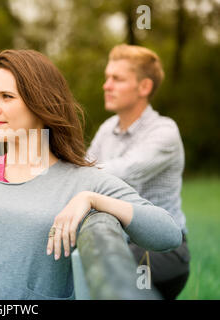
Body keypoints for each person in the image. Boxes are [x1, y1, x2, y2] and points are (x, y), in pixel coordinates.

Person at [0, 49, 182, 300]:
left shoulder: (83, 182)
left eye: (6, 96)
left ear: (41, 103)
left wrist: (93, 200)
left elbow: (168, 233)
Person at [87, 44, 190, 299]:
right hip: (114, 237)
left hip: (162, 249)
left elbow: (120, 172)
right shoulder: (107, 128)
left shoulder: (164, 132)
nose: (106, 85)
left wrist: (68, 169)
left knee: (104, 269)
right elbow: (84, 168)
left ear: (143, 87)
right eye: (106, 77)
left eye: (116, 79)